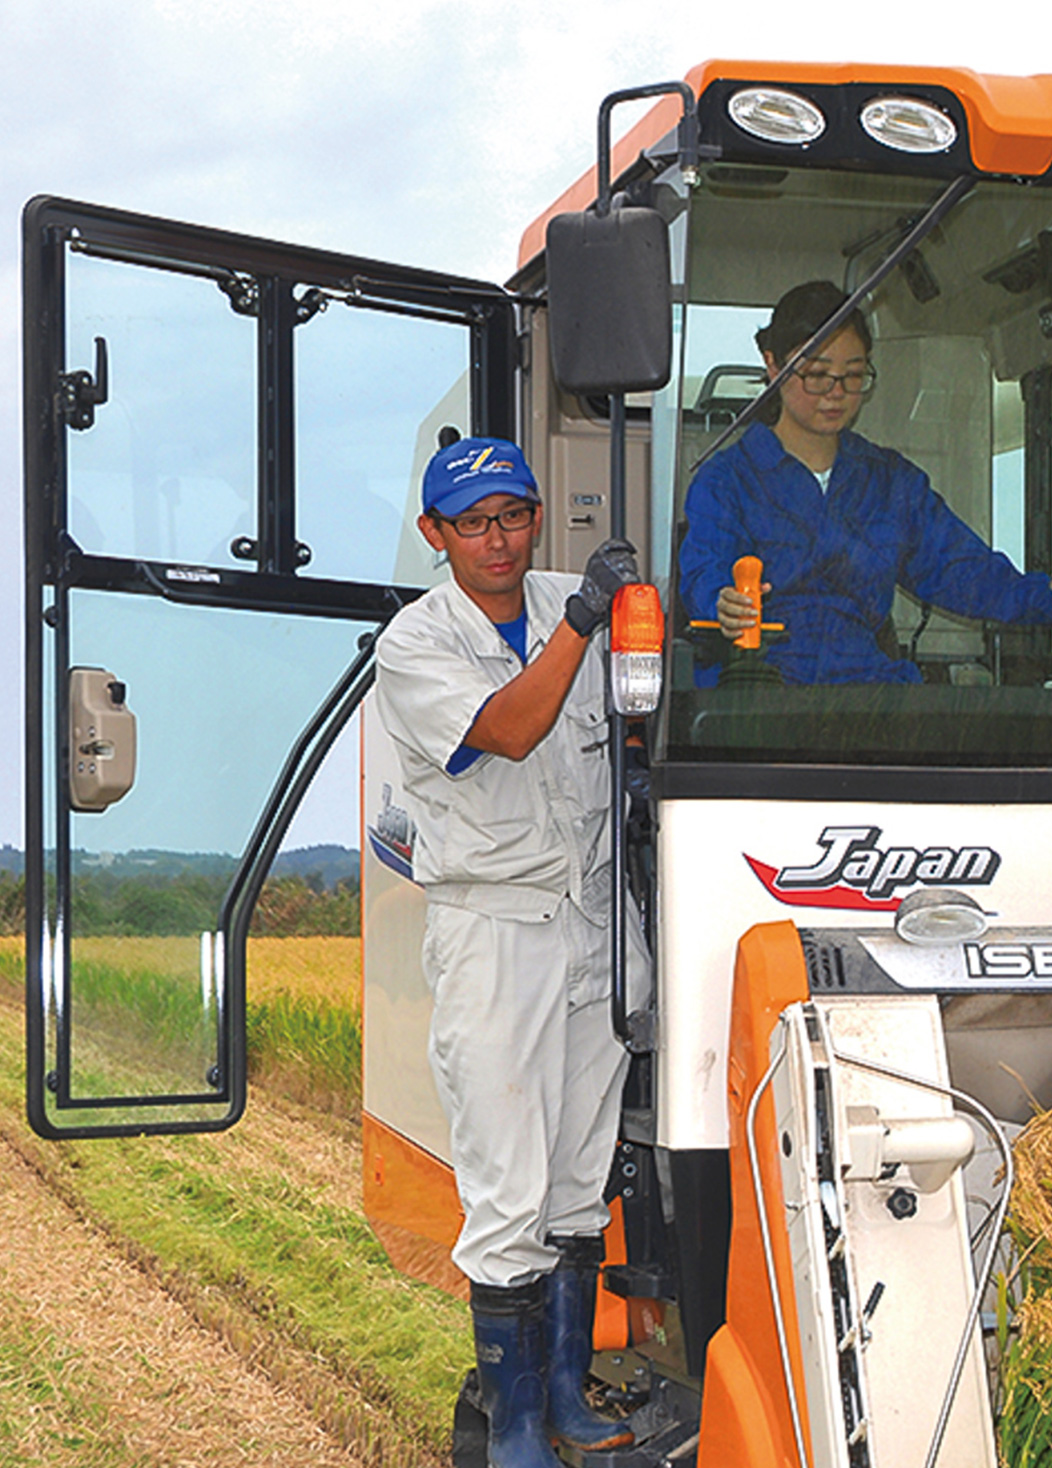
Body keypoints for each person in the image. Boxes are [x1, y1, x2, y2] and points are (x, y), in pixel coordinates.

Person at [374, 436, 643, 1468]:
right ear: (435, 535)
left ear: (536, 516)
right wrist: (586, 619)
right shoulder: (417, 643)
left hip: (589, 919)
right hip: (493, 933)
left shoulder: (572, 597)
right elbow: (514, 726)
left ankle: (568, 1395)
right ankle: (517, 1424)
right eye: (475, 522)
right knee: (508, 1192)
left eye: (516, 515)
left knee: (579, 1179)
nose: (499, 539)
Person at [679, 280, 1052, 684]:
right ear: (772, 365)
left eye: (852, 375)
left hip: (869, 700)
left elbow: (962, 572)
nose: (836, 392)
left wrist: (1049, 594)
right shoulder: (726, 481)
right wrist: (724, 603)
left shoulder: (890, 483)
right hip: (757, 701)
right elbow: (705, 572)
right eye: (816, 373)